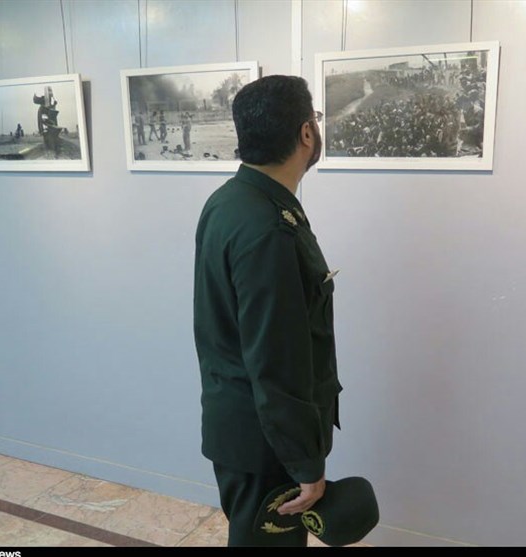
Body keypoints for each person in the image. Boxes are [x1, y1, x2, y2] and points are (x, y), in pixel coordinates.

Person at [193, 75, 338, 547]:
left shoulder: (231, 201)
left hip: (243, 426)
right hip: (267, 442)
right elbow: (276, 360)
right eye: (314, 119)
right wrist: (305, 462)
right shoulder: (268, 226)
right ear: (305, 133)